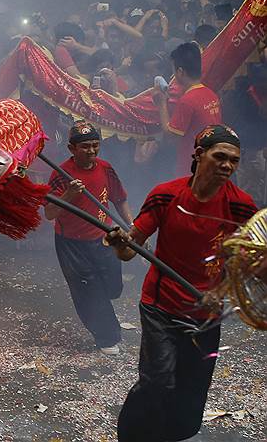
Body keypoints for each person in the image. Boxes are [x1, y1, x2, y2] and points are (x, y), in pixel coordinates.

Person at [106, 125, 257, 442]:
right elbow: (128, 251)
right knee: (158, 381)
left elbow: (245, 262)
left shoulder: (242, 206)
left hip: (206, 314)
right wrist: (120, 242)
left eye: (234, 160)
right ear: (199, 155)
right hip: (161, 306)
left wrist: (220, 291)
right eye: (220, 157)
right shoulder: (165, 195)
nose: (227, 165)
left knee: (191, 399)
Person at [44, 120, 134, 355]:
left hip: (105, 238)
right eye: (85, 147)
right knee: (88, 291)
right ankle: (107, 338)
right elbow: (49, 213)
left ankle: (106, 318)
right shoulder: (61, 174)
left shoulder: (105, 168)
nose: (91, 151)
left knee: (113, 288)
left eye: (95, 145)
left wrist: (131, 226)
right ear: (72, 149)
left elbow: (119, 198)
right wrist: (69, 194)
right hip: (71, 243)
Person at [155, 42, 221, 177]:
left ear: (180, 72)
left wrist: (161, 104)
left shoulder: (188, 101)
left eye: (173, 71)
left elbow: (171, 135)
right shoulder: (211, 95)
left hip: (191, 168)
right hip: (210, 163)